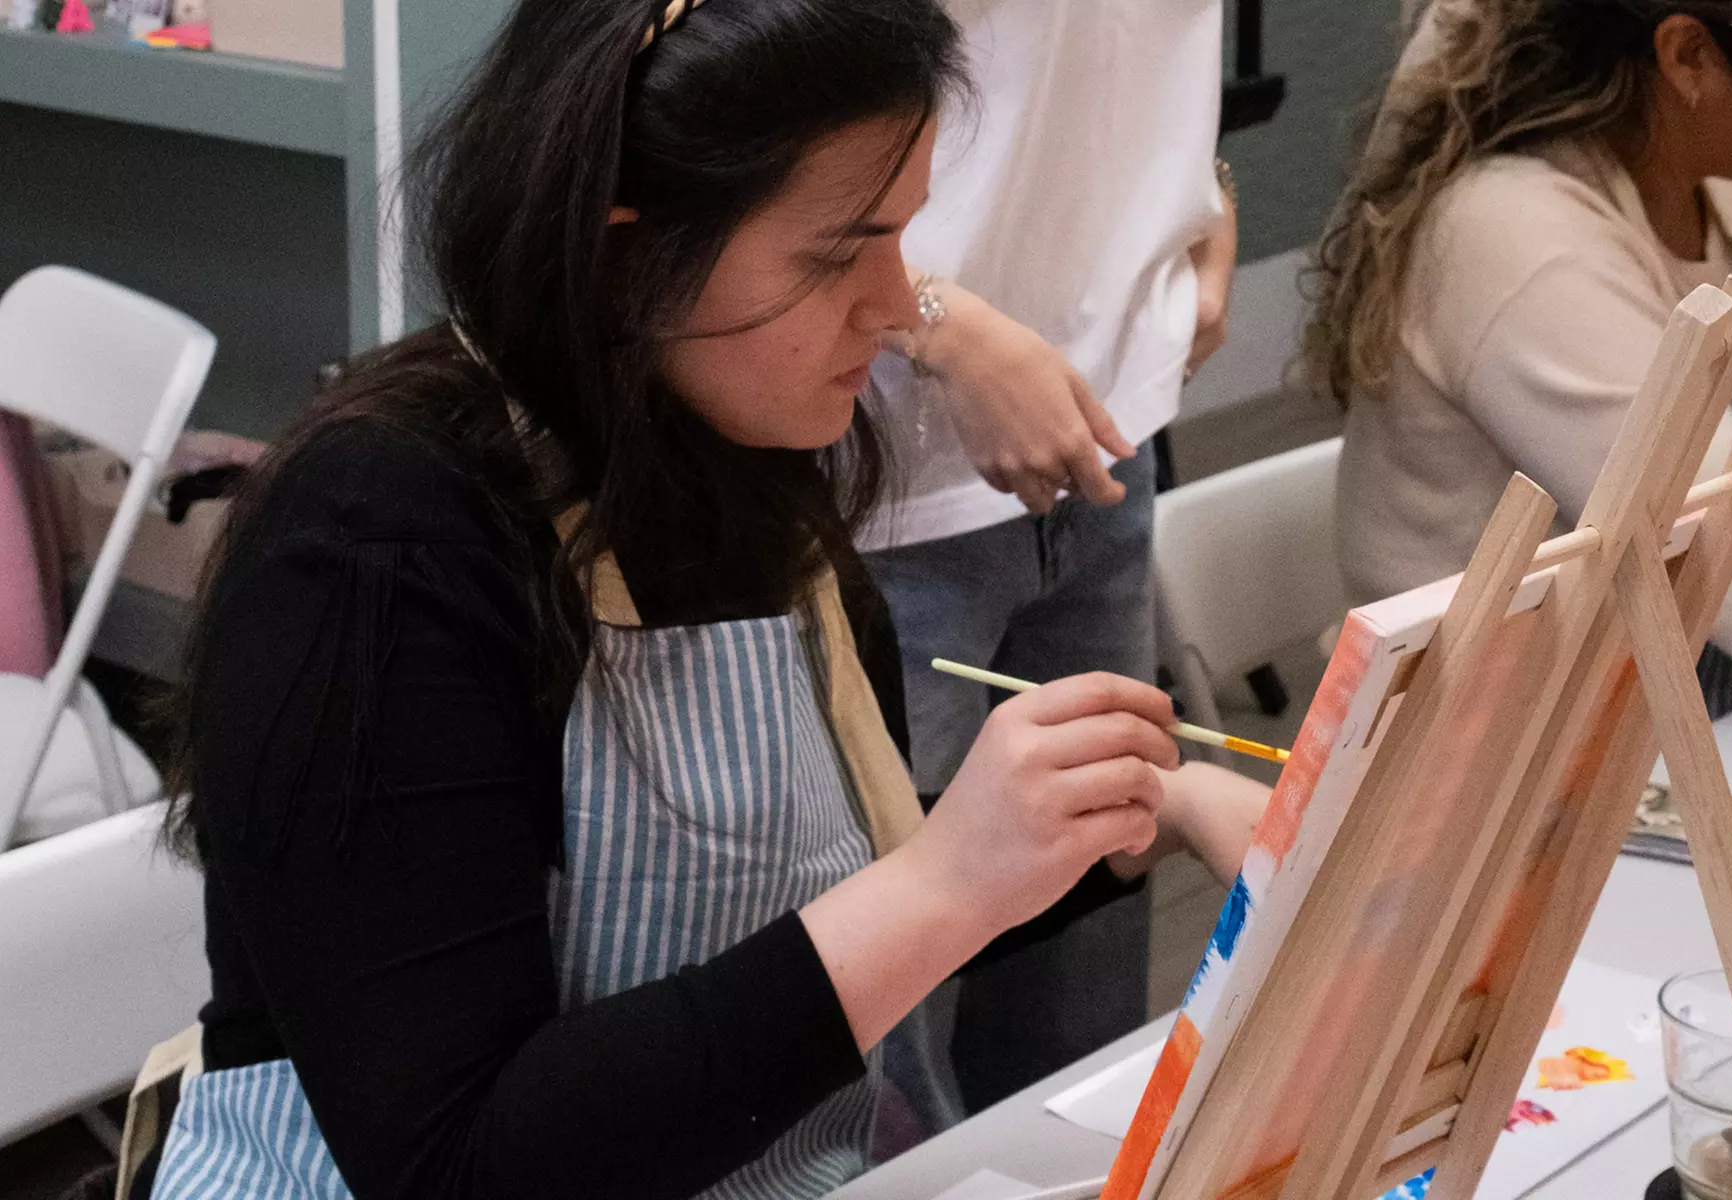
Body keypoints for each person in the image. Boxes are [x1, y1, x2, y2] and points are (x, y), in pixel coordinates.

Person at [146, 1, 1263, 1196]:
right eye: (839, 254)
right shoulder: (377, 533)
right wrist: (946, 888)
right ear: (629, 246)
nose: (895, 310)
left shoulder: (744, 455)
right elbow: (456, 1159)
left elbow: (813, 871)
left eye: (903, 238)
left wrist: (1141, 804)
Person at [1313, 0, 1732, 715]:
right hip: (1494, 766)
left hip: (1672, 693)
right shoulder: (1513, 239)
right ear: (1688, 56)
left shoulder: (1700, 179)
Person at [857, 0, 1241, 1117]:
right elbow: (720, 74)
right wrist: (939, 323)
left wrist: (1201, 184)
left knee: (1077, 1014)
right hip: (880, 455)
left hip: (1106, 429)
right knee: (897, 1032)